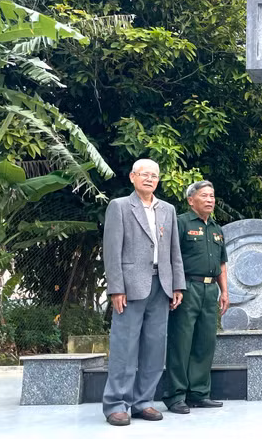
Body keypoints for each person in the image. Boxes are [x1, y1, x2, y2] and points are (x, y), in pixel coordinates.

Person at [102, 159, 185, 426]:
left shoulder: (168, 210)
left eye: (154, 176)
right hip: (130, 286)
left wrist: (177, 285)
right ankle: (116, 403)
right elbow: (112, 251)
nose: (149, 179)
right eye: (144, 175)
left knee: (154, 348)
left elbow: (175, 251)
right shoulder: (120, 207)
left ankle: (143, 402)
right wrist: (116, 288)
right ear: (132, 177)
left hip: (161, 286)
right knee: (125, 347)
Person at [163, 180, 230, 413]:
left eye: (212, 196)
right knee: (181, 343)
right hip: (187, 289)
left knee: (205, 342)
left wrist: (225, 291)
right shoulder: (181, 223)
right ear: (191, 200)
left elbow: (222, 263)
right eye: (205, 196)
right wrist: (175, 287)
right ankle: (175, 396)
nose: (210, 200)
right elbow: (172, 258)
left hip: (210, 290)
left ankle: (199, 393)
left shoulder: (216, 229)